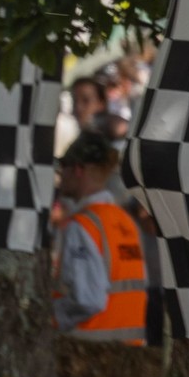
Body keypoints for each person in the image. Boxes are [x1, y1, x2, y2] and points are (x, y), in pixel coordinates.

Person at [53, 134, 147, 344]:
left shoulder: (82, 226)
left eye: (62, 167)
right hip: (131, 353)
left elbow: (87, 300)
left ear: (78, 169)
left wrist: (49, 317)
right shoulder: (125, 222)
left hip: (90, 352)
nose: (60, 176)